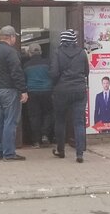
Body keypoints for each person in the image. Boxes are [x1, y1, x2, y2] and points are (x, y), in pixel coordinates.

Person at [0, 25, 28, 161]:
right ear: (11, 37)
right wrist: (23, 90)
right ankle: (9, 153)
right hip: (9, 91)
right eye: (14, 37)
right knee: (10, 122)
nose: (15, 39)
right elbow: (16, 72)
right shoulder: (11, 52)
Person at [49, 29, 88, 162]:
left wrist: (56, 84)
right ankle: (79, 154)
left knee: (60, 120)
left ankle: (61, 150)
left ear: (62, 40)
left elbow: (54, 73)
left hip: (62, 90)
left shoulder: (57, 53)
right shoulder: (82, 52)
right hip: (79, 90)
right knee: (79, 122)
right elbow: (86, 71)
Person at [23, 42, 53, 147]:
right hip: (47, 91)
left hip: (32, 92)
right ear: (40, 52)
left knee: (34, 116)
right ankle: (45, 134)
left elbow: (23, 79)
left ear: (29, 53)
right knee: (49, 113)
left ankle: (36, 141)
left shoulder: (26, 65)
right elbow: (53, 75)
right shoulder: (48, 63)